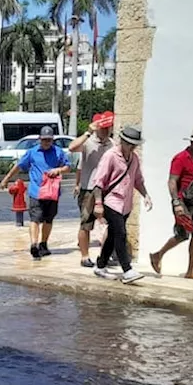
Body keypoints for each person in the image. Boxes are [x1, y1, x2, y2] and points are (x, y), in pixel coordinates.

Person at [149, 127, 193, 280]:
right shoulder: (180, 158)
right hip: (183, 202)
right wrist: (176, 203)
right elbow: (172, 181)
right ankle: (157, 255)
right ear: (192, 142)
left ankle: (191, 270)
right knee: (181, 235)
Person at [90, 125, 153, 284]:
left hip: (126, 203)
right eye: (129, 143)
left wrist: (146, 195)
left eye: (135, 144)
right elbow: (99, 182)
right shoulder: (110, 156)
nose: (132, 147)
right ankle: (127, 270)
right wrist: (98, 204)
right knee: (120, 234)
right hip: (112, 201)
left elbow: (138, 180)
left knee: (112, 235)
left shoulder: (134, 158)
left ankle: (101, 265)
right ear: (122, 141)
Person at [0, 126, 71, 260]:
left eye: (49, 140)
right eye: (44, 140)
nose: (46, 143)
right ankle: (34, 244)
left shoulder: (58, 152)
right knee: (35, 219)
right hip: (36, 192)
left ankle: (43, 244)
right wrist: (7, 178)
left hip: (52, 192)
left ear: (52, 140)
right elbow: (19, 166)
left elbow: (68, 166)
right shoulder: (32, 152)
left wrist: (58, 170)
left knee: (49, 219)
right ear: (39, 139)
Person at [68, 111, 115, 268]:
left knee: (111, 223)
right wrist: (88, 132)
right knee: (86, 223)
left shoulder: (112, 145)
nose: (105, 131)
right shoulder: (88, 143)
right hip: (88, 188)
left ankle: (105, 254)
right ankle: (85, 256)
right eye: (103, 128)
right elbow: (71, 147)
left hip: (106, 190)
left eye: (108, 128)